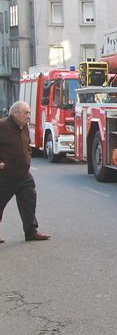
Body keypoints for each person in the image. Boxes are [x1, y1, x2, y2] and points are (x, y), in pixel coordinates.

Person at [0, 101, 51, 244]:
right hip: (5, 175)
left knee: (29, 200)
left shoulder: (24, 127)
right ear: (15, 113)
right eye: (26, 112)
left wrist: (27, 158)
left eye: (29, 112)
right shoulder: (2, 125)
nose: (29, 115)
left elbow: (27, 145)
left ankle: (31, 231)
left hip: (23, 173)